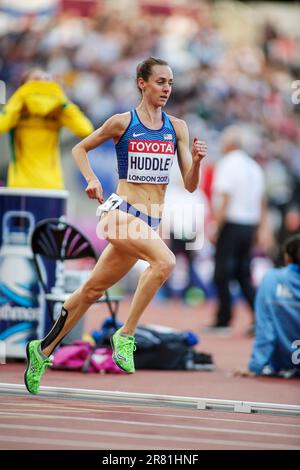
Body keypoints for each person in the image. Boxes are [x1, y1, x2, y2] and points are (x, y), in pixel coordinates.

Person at [24, 57, 207, 394]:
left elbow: (191, 184)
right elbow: (80, 149)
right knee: (165, 261)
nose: (167, 88)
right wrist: (92, 179)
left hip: (148, 223)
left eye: (170, 83)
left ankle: (42, 349)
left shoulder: (177, 127)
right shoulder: (123, 122)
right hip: (119, 214)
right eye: (160, 82)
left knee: (91, 291)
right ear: (142, 83)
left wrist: (195, 162)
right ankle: (126, 334)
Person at [210, 125, 269, 331]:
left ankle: (224, 318)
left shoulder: (227, 164)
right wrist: (263, 229)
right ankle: (259, 316)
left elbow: (225, 197)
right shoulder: (254, 166)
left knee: (221, 274)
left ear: (229, 144)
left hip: (232, 224)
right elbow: (262, 201)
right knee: (243, 273)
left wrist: (215, 226)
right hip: (249, 225)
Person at [0, 68, 94, 189]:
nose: (42, 83)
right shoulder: (18, 110)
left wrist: (62, 100)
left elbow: (86, 130)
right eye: (36, 80)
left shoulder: (57, 110)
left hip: (50, 184)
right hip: (21, 183)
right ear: (24, 86)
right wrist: (20, 96)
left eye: (46, 79)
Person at [236, 234, 300, 378]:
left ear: (287, 258)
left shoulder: (272, 279)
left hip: (283, 365)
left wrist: (255, 366)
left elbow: (265, 328)